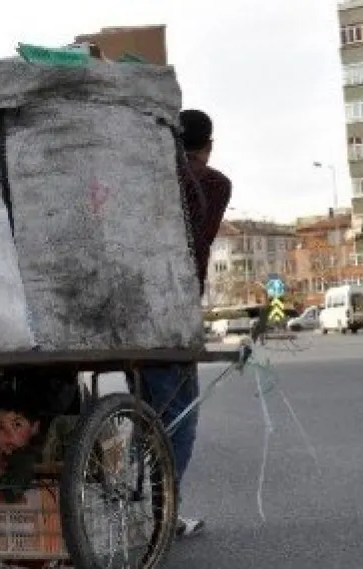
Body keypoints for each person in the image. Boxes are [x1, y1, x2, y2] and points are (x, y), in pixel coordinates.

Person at [137, 108, 233, 539]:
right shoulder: (213, 184)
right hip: (172, 317)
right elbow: (197, 237)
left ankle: (145, 506)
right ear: (207, 146)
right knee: (179, 418)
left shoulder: (146, 180)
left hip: (129, 313)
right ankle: (161, 515)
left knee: (148, 412)